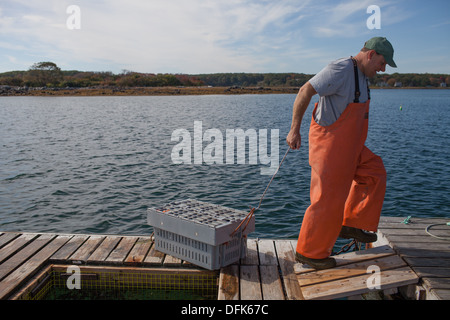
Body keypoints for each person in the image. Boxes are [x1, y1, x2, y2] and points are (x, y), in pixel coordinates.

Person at [286, 37, 396, 270]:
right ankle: (310, 254)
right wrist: (294, 130)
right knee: (327, 200)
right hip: (330, 146)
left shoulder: (363, 77)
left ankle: (352, 223)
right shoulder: (341, 69)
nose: (383, 68)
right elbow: (305, 90)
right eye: (383, 62)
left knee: (374, 171)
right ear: (371, 54)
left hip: (352, 147)